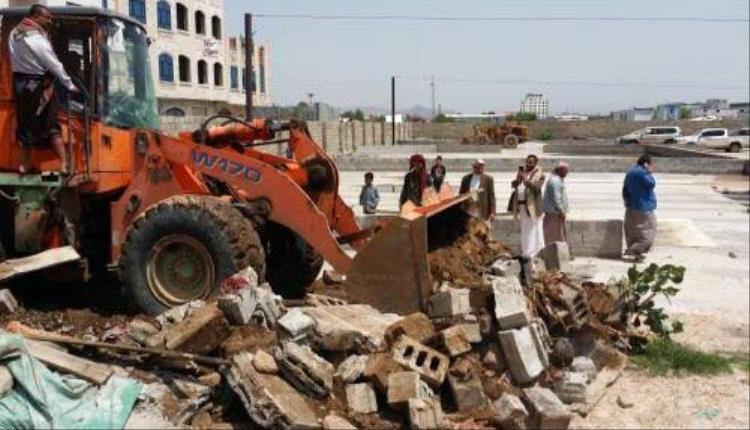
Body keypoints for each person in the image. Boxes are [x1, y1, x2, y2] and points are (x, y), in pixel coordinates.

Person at [9, 4, 78, 174]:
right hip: (38, 85)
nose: (49, 20)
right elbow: (52, 63)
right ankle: (64, 164)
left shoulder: (15, 32)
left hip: (20, 83)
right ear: (36, 16)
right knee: (51, 123)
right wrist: (69, 83)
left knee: (25, 124)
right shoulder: (35, 38)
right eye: (47, 17)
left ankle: (24, 166)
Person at [508, 154, 546, 258]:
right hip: (521, 206)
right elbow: (513, 185)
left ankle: (534, 252)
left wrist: (526, 181)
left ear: (535, 163)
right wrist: (518, 180)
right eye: (527, 161)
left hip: (532, 207)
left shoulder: (541, 175)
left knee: (533, 229)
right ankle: (526, 251)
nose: (528, 164)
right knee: (525, 230)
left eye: (531, 162)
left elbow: (537, 189)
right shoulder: (522, 173)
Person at [622, 155, 657, 262]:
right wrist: (649, 172)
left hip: (631, 206)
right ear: (646, 163)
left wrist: (627, 201)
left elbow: (625, 189)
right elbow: (651, 184)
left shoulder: (630, 172)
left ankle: (636, 253)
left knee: (634, 231)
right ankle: (634, 250)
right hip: (644, 207)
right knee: (649, 231)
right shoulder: (643, 173)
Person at [543, 161, 570, 244]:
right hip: (554, 212)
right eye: (566, 171)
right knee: (553, 233)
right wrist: (561, 210)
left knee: (558, 232)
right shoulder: (555, 181)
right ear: (560, 170)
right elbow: (556, 198)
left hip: (554, 211)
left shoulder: (556, 180)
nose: (567, 173)